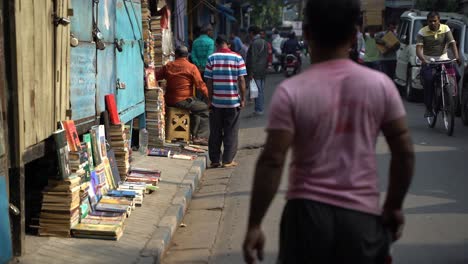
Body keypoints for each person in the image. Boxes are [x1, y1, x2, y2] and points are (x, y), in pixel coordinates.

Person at [242, 0, 415, 263]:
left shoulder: (291, 91)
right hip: (362, 220)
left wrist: (254, 224)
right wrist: (393, 206)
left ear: (308, 34)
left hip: (306, 220)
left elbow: (273, 160)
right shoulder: (380, 86)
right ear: (354, 33)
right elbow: (404, 152)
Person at [204, 35, 247, 168]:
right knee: (231, 131)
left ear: (217, 45)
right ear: (228, 44)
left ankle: (215, 160)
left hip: (216, 102)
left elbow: (209, 82)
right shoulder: (238, 58)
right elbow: (241, 80)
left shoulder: (211, 58)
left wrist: (209, 100)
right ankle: (227, 160)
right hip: (233, 102)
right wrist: (243, 98)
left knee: (215, 131)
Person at [156, 45, 210, 145]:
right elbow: (200, 85)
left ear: (176, 55)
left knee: (196, 107)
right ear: (187, 55)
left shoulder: (168, 66)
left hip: (169, 100)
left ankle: (192, 134)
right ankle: (200, 137)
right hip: (183, 100)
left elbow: (155, 76)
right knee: (203, 108)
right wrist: (209, 98)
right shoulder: (191, 67)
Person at [416, 11, 460, 118]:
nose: (432, 23)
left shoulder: (446, 29)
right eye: (430, 21)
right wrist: (423, 59)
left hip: (444, 59)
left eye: (434, 21)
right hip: (429, 61)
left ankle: (449, 96)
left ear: (439, 20)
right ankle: (429, 107)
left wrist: (457, 56)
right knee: (429, 80)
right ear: (427, 21)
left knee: (457, 75)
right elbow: (418, 49)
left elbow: (452, 43)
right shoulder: (422, 32)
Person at [246, 26, 269, 116]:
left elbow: (253, 58)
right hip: (262, 70)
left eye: (249, 33)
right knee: (261, 90)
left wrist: (251, 72)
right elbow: (266, 57)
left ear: (252, 33)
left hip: (256, 70)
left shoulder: (255, 43)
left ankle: (259, 109)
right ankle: (260, 108)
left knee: (257, 90)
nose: (249, 35)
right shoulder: (265, 42)